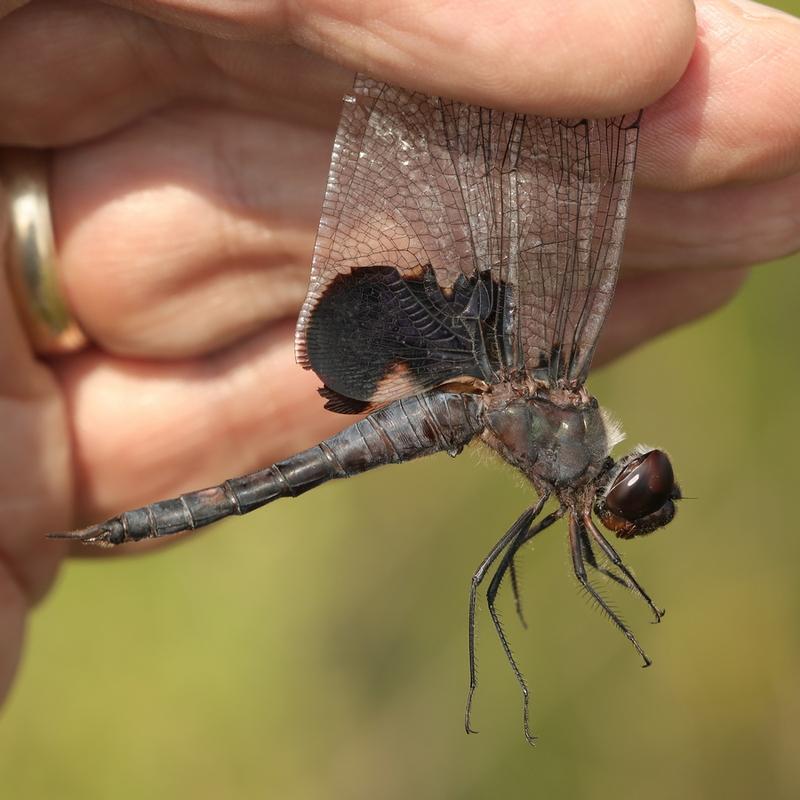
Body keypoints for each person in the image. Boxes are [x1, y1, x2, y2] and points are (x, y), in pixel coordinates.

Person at [0, 0, 797, 705]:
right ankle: (129, 523)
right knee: (607, 69)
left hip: (459, 388)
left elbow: (546, 569)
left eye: (640, 493)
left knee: (478, 572)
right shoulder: (563, 427)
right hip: (460, 393)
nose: (635, 494)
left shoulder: (564, 443)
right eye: (640, 487)